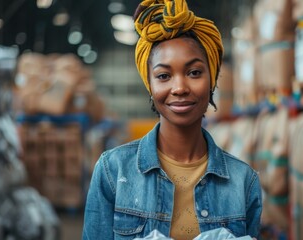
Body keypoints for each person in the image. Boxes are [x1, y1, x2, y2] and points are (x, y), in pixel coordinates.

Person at [82, 0, 262, 239]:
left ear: (212, 80)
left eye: (194, 72)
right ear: (150, 85)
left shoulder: (243, 181)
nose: (179, 87)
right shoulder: (113, 171)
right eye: (164, 75)